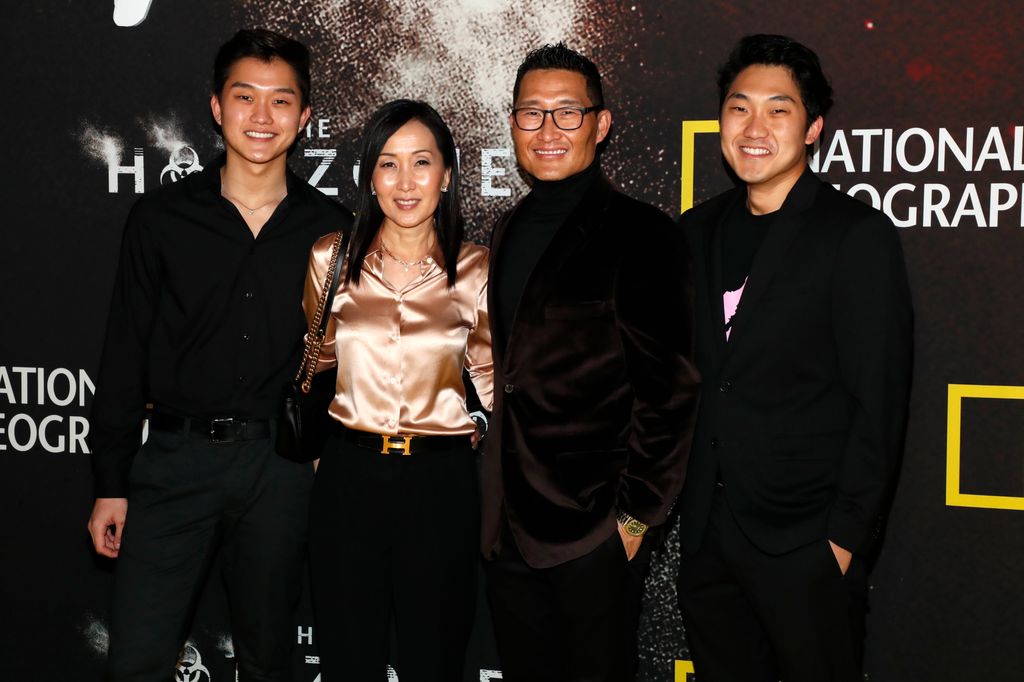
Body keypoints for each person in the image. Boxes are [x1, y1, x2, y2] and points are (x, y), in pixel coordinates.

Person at [86, 28, 353, 681]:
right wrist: (111, 483)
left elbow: (348, 356)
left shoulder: (333, 229)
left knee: (268, 660)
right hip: (174, 462)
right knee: (136, 659)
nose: (262, 116)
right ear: (216, 105)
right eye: (244, 96)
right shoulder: (161, 218)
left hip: (279, 469)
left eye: (281, 100)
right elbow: (124, 351)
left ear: (304, 116)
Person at [675, 34, 913, 681]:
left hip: (806, 539)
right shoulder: (694, 231)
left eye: (777, 110)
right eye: (739, 107)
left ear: (812, 128)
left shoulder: (854, 235)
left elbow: (880, 401)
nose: (754, 127)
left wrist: (842, 541)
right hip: (707, 535)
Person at [480, 43, 700, 682]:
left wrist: (634, 518)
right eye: (531, 113)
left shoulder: (644, 234)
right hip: (507, 527)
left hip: (593, 528)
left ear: (600, 125)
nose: (547, 130)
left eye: (567, 113)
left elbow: (670, 388)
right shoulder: (507, 228)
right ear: (513, 123)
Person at [304, 99, 493, 682]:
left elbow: (492, 382)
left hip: (441, 484)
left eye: (421, 163)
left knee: (434, 657)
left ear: (447, 174)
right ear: (369, 177)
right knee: (347, 655)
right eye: (388, 164)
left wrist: (478, 430)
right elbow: (318, 363)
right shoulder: (331, 259)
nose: (405, 182)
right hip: (348, 478)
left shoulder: (477, 269)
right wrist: (324, 459)